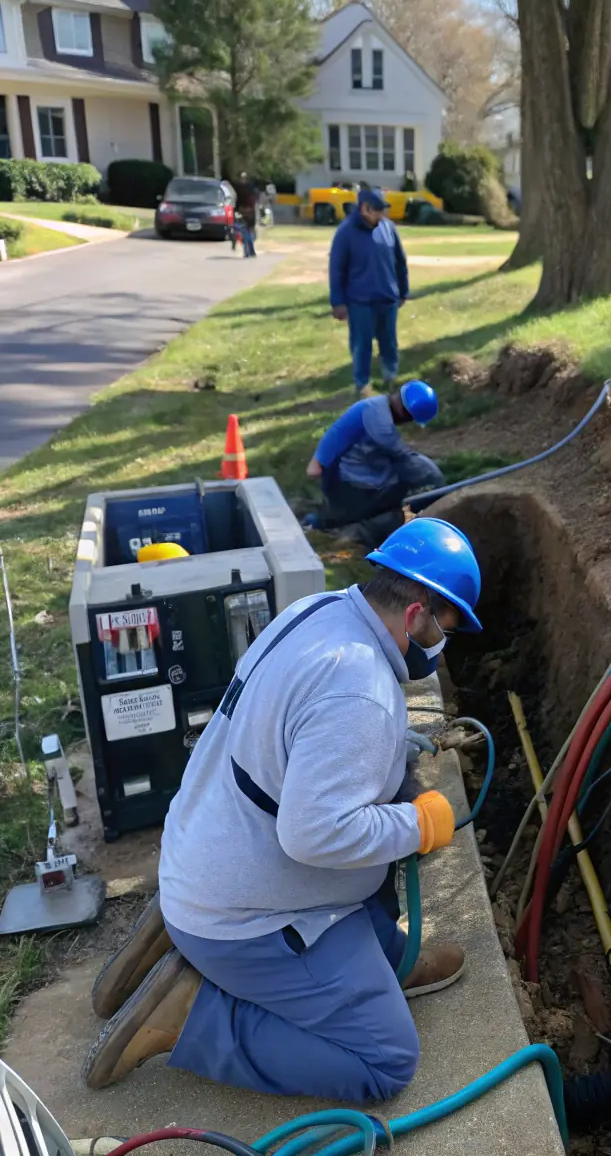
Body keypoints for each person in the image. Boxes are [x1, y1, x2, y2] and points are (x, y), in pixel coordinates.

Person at [83, 517, 483, 1099]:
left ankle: (378, 960)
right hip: (245, 914)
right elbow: (316, 835)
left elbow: (301, 739)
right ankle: (197, 1011)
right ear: (418, 612)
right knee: (386, 1061)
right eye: (442, 627)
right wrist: (418, 823)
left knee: (370, 869)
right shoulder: (361, 691)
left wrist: (396, 768)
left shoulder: (317, 613)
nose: (439, 645)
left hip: (206, 848)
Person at [305, 380, 444, 540]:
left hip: (357, 471)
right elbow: (403, 456)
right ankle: (324, 527)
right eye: (410, 419)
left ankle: (333, 522)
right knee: (374, 510)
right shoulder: (379, 420)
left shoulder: (378, 406)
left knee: (389, 497)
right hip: (349, 482)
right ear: (404, 412)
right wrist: (435, 482)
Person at [330, 187, 409, 397]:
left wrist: (403, 290)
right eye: (377, 210)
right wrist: (338, 302)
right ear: (364, 208)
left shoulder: (389, 228)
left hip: (387, 298)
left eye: (383, 209)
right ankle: (362, 384)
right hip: (360, 302)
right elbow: (336, 268)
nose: (381, 214)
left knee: (389, 342)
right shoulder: (346, 232)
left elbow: (400, 261)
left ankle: (390, 377)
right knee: (361, 345)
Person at [234, 171, 259, 258]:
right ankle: (251, 251)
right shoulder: (251, 188)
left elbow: (238, 201)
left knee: (245, 233)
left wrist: (237, 210)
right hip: (250, 212)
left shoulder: (240, 188)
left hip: (245, 212)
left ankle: (248, 252)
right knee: (247, 232)